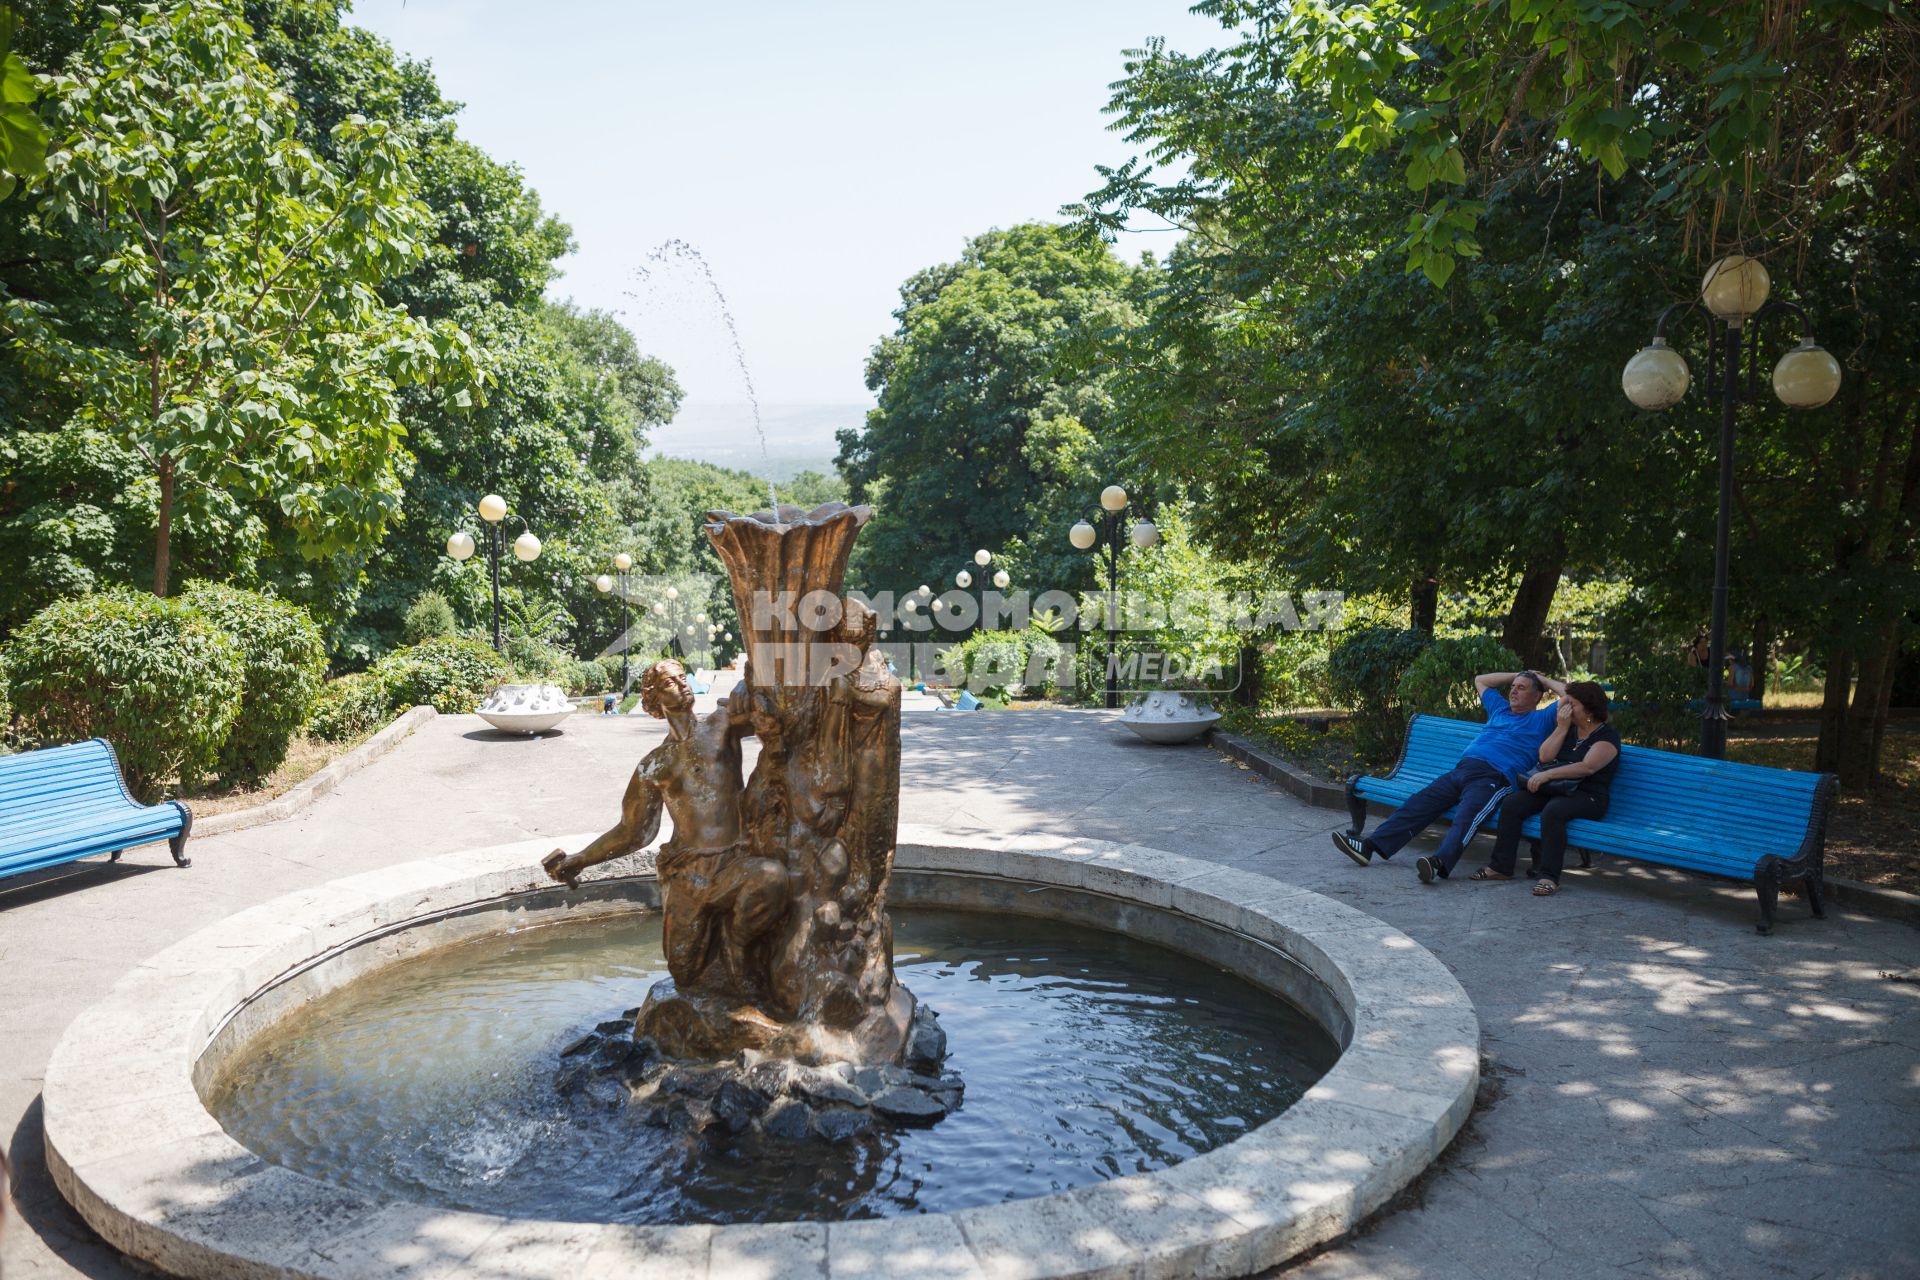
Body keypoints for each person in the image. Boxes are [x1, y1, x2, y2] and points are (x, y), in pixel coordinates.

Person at [1333, 669, 1567, 883]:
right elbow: (1481, 680)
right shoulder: (1500, 709)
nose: (1513, 690)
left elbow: (1571, 694)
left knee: (1466, 818)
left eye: (1522, 687)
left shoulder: (1542, 719)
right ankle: (1368, 848)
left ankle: (1439, 863)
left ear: (1537, 697)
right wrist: (1518, 675)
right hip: (1462, 770)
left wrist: (1543, 679)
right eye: (1513, 686)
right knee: (1417, 804)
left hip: (1494, 779)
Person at [1475, 681, 1621, 895]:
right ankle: (1501, 867)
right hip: (1558, 789)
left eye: (1572, 704)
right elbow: (1545, 756)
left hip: (1588, 796)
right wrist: (1561, 728)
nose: (1565, 708)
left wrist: (1547, 775)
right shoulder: (1569, 729)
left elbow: (1587, 767)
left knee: (1553, 812)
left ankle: (1549, 877)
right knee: (1513, 803)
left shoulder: (1606, 737)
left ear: (1589, 709)